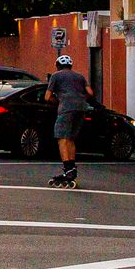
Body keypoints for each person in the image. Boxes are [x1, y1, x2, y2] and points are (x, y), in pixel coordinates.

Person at [45, 54, 92, 188]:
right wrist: (80, 99)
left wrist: (58, 101)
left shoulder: (55, 76)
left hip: (66, 108)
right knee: (71, 138)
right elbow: (90, 92)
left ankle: (67, 168)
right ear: (71, 66)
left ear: (57, 65)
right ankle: (72, 167)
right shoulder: (80, 77)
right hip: (81, 108)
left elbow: (47, 97)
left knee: (62, 138)